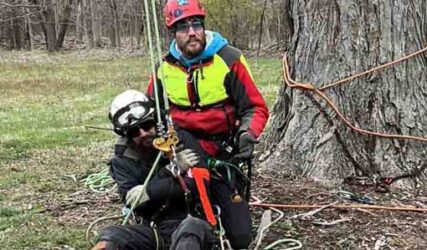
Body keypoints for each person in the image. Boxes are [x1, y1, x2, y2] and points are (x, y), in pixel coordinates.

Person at [147, 0, 270, 248]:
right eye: (183, 27)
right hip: (183, 152)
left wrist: (247, 134)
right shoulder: (164, 67)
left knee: (240, 237)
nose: (192, 32)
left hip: (224, 155)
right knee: (177, 213)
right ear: (173, 32)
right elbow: (151, 111)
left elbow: (255, 107)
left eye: (196, 24)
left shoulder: (229, 58)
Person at [91, 90, 216, 250]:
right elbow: (135, 204)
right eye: (134, 131)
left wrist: (147, 192)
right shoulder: (122, 161)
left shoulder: (180, 141)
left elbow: (197, 187)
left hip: (192, 224)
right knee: (112, 235)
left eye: (146, 125)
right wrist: (169, 172)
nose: (143, 133)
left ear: (155, 120)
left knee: (190, 228)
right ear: (126, 134)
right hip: (155, 231)